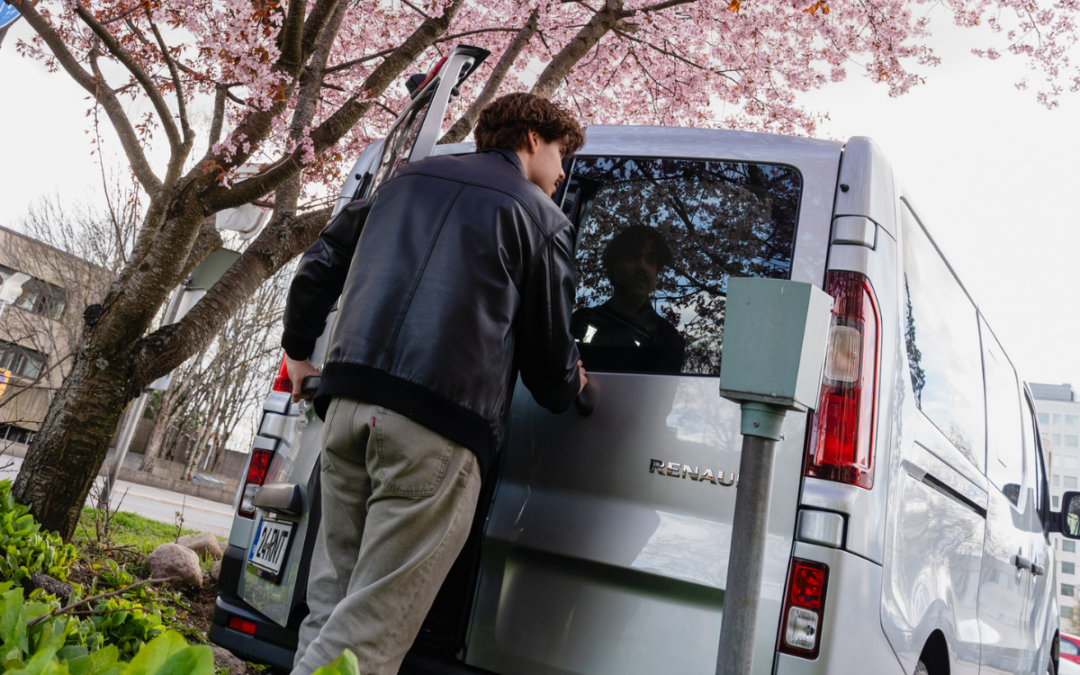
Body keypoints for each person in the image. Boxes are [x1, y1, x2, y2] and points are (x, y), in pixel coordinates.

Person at [280, 93, 587, 675]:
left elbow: (319, 265)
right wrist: (577, 382)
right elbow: (550, 375)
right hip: (433, 432)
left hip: (344, 409)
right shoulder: (542, 218)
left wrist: (298, 351)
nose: (564, 169)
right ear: (529, 137)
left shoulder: (401, 181)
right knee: (371, 630)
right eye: (560, 150)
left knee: (332, 607)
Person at [571, 225, 686, 374]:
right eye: (632, 258)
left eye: (651, 261)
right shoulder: (580, 322)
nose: (642, 267)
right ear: (612, 267)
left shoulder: (668, 339)